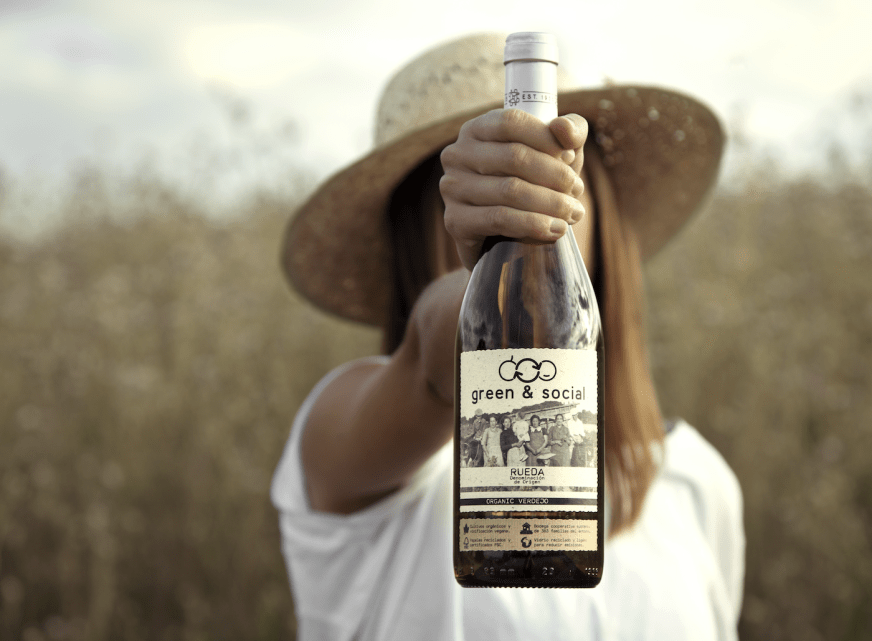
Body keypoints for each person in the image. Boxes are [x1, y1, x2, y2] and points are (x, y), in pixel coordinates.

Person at [271, 33, 744, 640]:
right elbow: (434, 357)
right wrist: (487, 283)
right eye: (475, 183)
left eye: (552, 175)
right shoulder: (354, 450)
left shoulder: (695, 481)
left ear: (599, 206)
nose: (519, 207)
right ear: (418, 229)